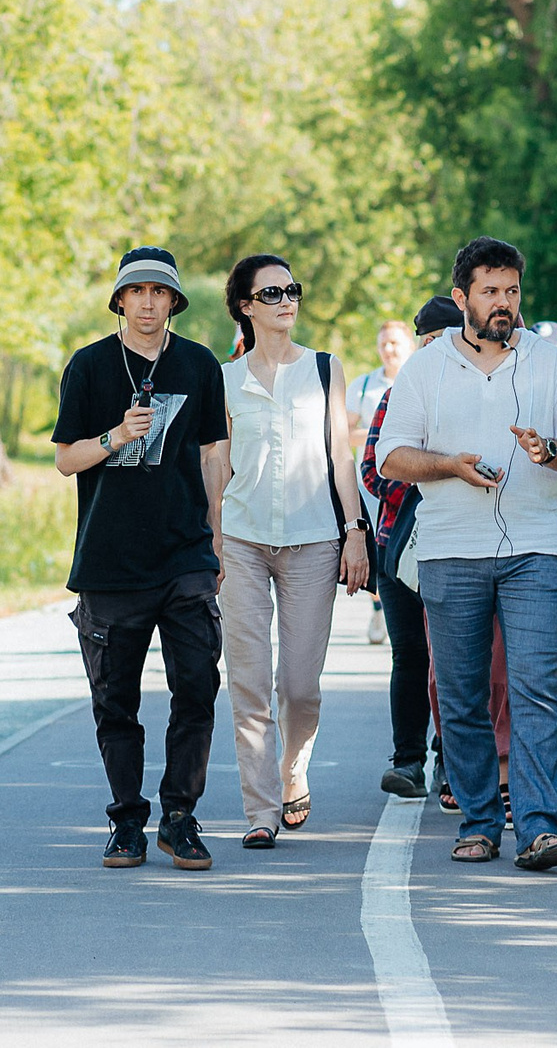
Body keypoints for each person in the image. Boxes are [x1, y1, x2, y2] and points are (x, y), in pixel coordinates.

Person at [377, 237, 557, 871]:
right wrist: (449, 465)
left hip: (536, 548)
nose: (503, 302)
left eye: (511, 291)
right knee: (460, 695)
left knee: (535, 689)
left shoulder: (549, 362)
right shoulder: (424, 369)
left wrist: (549, 450)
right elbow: (390, 457)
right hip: (449, 550)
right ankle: (479, 822)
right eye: (489, 292)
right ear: (462, 298)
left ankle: (538, 828)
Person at [51, 246, 232, 873]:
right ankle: (127, 820)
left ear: (174, 301)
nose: (149, 303)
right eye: (137, 292)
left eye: (160, 292)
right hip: (110, 560)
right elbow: (65, 459)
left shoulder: (200, 364)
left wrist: (215, 538)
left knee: (198, 687)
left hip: (185, 554)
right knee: (115, 700)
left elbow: (214, 455)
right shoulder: (89, 365)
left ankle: (179, 817)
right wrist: (115, 436)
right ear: (121, 300)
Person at [215, 255, 370, 850]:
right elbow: (217, 464)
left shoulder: (325, 369)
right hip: (242, 540)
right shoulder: (226, 380)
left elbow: (339, 456)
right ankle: (260, 810)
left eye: (292, 290)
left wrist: (354, 530)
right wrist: (213, 539)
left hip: (313, 540)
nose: (286, 301)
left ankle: (293, 766)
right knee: (249, 681)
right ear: (246, 307)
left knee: (300, 684)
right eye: (272, 293)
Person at [363, 294, 468, 798]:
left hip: (458, 546)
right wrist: (433, 474)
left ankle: (451, 762)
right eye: (426, 341)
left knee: (454, 658)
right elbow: (374, 471)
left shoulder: (472, 393)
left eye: (443, 339)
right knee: (409, 655)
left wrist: (429, 470)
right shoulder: (397, 395)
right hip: (397, 545)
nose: (433, 349)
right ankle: (407, 761)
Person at [349, 320, 416, 645]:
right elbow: (344, 432)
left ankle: (394, 608)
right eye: (383, 344)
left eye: (395, 343)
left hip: (410, 486)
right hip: (373, 484)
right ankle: (380, 606)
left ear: (410, 346)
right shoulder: (364, 385)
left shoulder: (419, 379)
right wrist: (380, 433)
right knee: (378, 549)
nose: (388, 350)